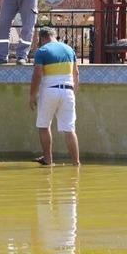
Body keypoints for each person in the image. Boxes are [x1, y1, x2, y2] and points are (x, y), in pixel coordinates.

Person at [29, 27, 80, 166]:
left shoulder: (43, 51)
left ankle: (48, 160)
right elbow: (76, 73)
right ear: (54, 36)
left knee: (44, 126)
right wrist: (73, 93)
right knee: (69, 129)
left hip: (50, 91)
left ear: (42, 38)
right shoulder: (70, 50)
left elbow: (37, 75)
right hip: (68, 91)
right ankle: (76, 163)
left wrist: (32, 96)